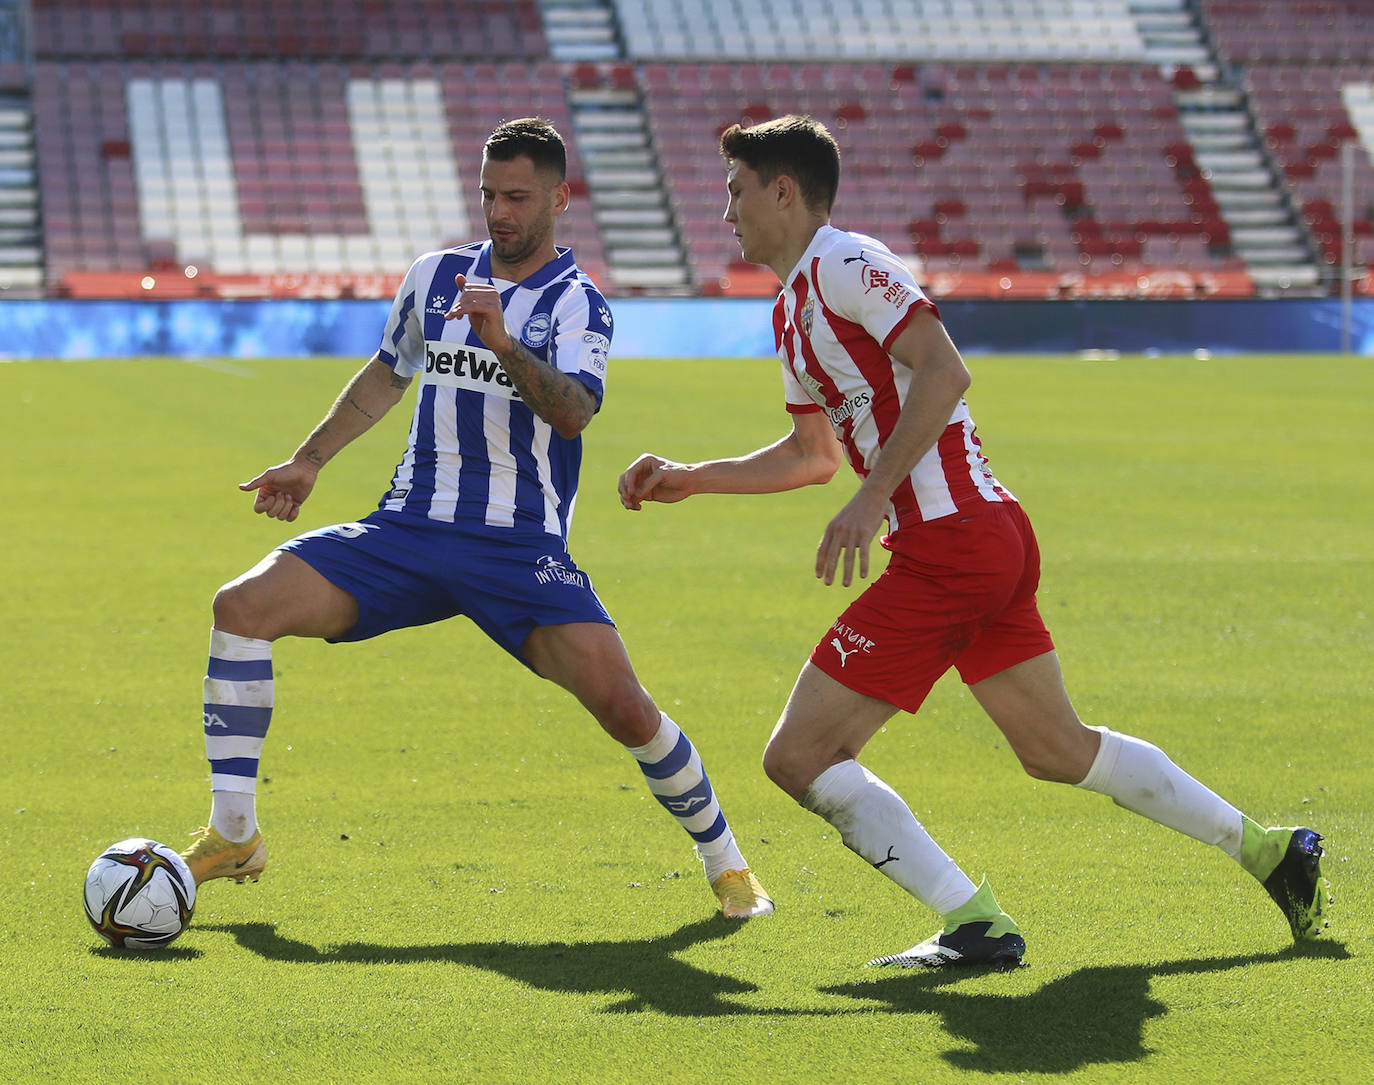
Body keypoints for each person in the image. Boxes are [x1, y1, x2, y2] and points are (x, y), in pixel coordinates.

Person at [617, 114, 1327, 966]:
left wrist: (871, 498)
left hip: (952, 539)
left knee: (799, 755)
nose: (724, 210)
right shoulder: (791, 308)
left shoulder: (845, 262)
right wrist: (693, 475)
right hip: (981, 537)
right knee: (1058, 749)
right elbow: (812, 458)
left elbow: (946, 368)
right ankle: (1272, 852)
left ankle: (975, 921)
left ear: (784, 191)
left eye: (735, 190)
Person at [181, 117, 772, 920]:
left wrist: (499, 338)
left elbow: (574, 413)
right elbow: (387, 376)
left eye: (519, 196)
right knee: (239, 606)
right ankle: (233, 830)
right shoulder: (436, 275)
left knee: (627, 709)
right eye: (490, 192)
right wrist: (309, 460)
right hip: (408, 529)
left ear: (561, 198)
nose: (500, 210)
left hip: (518, 546)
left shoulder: (578, 303)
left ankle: (728, 864)